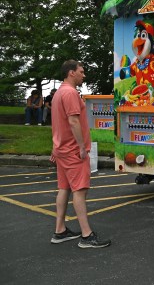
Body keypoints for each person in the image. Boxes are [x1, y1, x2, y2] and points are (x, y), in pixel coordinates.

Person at [49, 60, 111, 248]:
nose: (84, 75)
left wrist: (55, 146)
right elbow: (73, 122)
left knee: (64, 188)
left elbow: (57, 122)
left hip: (62, 149)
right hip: (73, 151)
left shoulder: (59, 93)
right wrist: (82, 147)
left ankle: (59, 231)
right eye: (81, 72)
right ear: (71, 73)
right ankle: (86, 235)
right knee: (80, 190)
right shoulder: (70, 93)